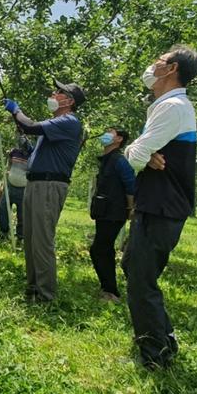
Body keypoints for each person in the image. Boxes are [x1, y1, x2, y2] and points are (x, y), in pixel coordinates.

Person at [122, 44, 197, 369]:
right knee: (133, 265)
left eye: (160, 60)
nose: (153, 65)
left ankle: (155, 354)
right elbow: (139, 152)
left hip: (162, 207)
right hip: (156, 204)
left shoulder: (173, 107)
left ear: (172, 69)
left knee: (141, 279)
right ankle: (163, 336)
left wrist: (140, 153)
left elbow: (135, 155)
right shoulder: (167, 106)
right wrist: (141, 153)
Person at [3, 79, 86, 303]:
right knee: (31, 239)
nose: (53, 94)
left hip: (49, 186)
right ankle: (33, 288)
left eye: (59, 92)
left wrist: (16, 110)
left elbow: (30, 125)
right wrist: (26, 143)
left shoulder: (69, 121)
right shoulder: (55, 125)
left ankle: (46, 295)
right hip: (36, 183)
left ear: (69, 101)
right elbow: (38, 150)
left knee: (42, 240)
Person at [88, 127, 136, 302]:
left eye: (110, 132)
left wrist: (130, 209)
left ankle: (110, 291)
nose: (105, 134)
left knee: (99, 249)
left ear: (119, 139)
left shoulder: (119, 160)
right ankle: (108, 289)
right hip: (104, 212)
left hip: (114, 212)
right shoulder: (106, 160)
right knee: (103, 249)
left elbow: (131, 184)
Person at [0, 138, 33, 244]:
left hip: (24, 190)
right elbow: (9, 165)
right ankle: (4, 232)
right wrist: (7, 174)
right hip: (10, 187)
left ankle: (20, 238)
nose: (22, 145)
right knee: (2, 211)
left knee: (22, 215)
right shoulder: (14, 152)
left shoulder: (32, 155)